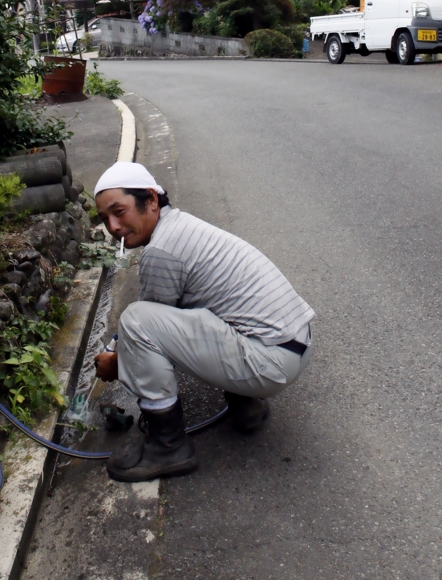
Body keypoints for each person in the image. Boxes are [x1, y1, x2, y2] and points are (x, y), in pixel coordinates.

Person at [93, 162, 315, 483]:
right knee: (188, 312)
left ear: (151, 200)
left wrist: (115, 363)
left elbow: (146, 328)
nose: (113, 226)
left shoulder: (161, 251)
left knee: (137, 322)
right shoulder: (180, 226)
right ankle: (246, 405)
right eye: (105, 219)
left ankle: (168, 447)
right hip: (295, 343)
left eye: (119, 211)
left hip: (271, 362)